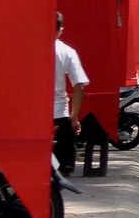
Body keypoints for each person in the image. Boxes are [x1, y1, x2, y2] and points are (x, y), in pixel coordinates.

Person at [54, 11, 90, 176]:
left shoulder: (24, 50)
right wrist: (74, 118)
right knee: (63, 168)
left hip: (29, 117)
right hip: (59, 116)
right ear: (61, 30)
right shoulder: (67, 52)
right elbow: (79, 86)